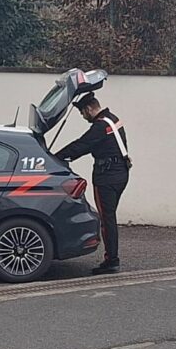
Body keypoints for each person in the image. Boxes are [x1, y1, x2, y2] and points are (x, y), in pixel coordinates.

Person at [55, 92, 130, 275]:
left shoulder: (99, 126)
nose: (83, 116)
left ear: (89, 108)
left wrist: (54, 157)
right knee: (109, 217)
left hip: (106, 178)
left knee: (106, 220)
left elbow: (81, 145)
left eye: (82, 113)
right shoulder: (112, 119)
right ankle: (112, 258)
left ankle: (111, 260)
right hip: (121, 174)